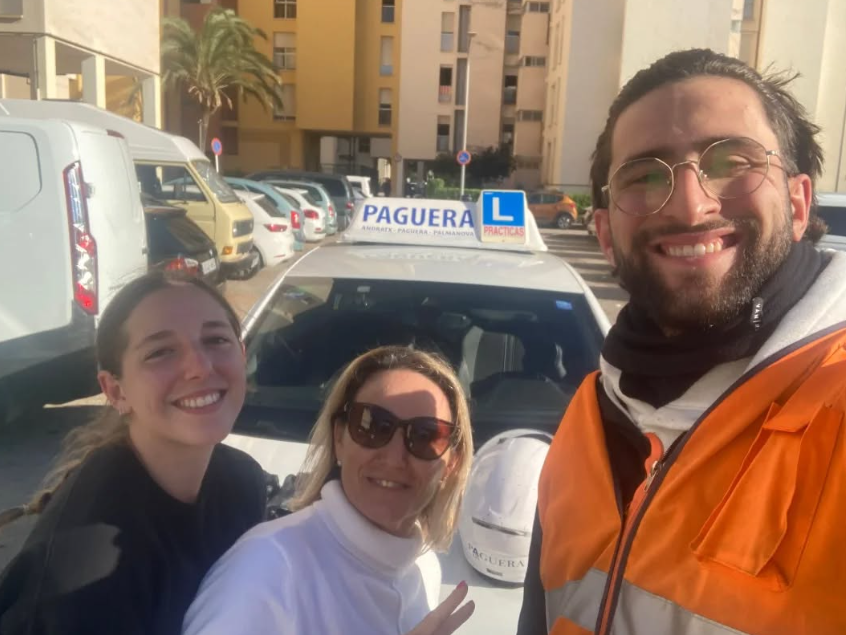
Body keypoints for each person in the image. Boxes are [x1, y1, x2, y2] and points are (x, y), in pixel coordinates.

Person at [518, 48, 846, 635]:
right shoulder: (586, 422)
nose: (692, 206)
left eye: (732, 161)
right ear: (605, 236)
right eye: (643, 177)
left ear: (798, 203)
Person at [0, 271, 267, 635]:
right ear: (115, 391)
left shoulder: (242, 481)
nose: (200, 367)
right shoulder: (86, 577)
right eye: (160, 352)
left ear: (242, 354)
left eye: (216, 339)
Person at [182, 345, 476, 635]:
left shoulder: (424, 568)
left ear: (452, 462)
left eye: (426, 436)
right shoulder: (268, 568)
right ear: (339, 439)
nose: (395, 457)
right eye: (371, 424)